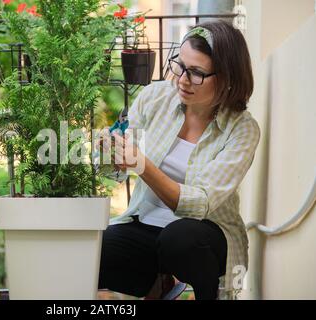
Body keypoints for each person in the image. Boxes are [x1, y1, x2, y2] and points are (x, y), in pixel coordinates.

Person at [98, 20, 260, 300]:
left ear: (227, 78)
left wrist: (142, 164)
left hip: (205, 234)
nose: (182, 79)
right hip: (146, 224)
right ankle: (158, 285)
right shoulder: (155, 97)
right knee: (96, 250)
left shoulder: (242, 129)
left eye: (196, 73)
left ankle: (202, 294)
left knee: (180, 239)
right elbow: (118, 168)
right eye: (179, 65)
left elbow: (199, 204)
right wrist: (109, 153)